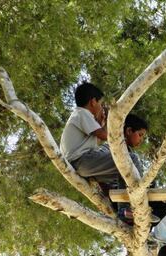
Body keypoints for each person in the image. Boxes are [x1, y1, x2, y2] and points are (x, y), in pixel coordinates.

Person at [60, 82, 156, 224]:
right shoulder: (82, 113)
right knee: (131, 159)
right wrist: (105, 122)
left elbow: (100, 138)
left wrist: (101, 122)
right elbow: (107, 137)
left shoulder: (82, 117)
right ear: (93, 102)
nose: (101, 107)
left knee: (122, 171)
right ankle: (141, 193)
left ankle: (124, 209)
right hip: (82, 161)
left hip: (83, 163)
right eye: (100, 103)